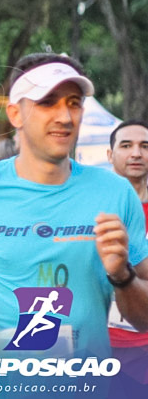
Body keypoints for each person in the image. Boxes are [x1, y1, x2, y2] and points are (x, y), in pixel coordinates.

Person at [0, 54, 148, 356]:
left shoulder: (115, 192)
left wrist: (122, 276)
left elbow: (144, 321)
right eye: (47, 102)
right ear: (15, 114)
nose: (65, 117)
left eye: (74, 102)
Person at [106, 119, 148, 381]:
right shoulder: (91, 211)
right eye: (126, 145)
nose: (136, 153)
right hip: (98, 344)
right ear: (110, 154)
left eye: (145, 146)